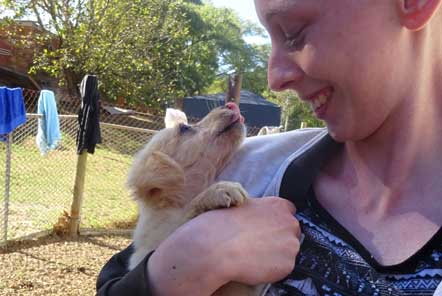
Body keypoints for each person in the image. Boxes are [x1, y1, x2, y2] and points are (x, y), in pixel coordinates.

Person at [96, 0, 442, 295]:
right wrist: (183, 266)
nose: (274, 79)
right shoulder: (246, 167)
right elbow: (120, 278)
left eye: (294, 31)